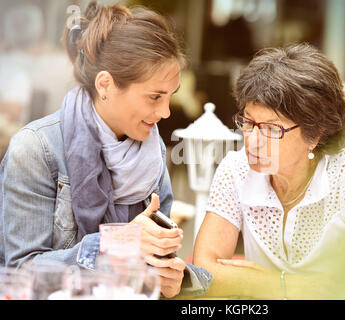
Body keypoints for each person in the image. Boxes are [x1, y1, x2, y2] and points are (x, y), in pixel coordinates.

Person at [0, 1, 211, 298]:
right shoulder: (36, 147)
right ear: (105, 85)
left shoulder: (152, 151)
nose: (165, 112)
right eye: (154, 97)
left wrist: (171, 280)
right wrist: (118, 242)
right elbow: (22, 272)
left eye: (170, 97)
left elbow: (149, 265)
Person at [193, 43, 345, 299]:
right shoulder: (237, 168)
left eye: (273, 129)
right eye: (248, 122)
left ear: (314, 134)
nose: (253, 140)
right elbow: (204, 272)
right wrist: (288, 286)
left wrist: (247, 282)